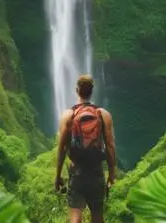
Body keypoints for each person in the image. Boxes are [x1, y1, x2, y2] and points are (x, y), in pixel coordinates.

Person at [55, 74, 116, 223]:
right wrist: (112, 174)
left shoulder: (68, 115)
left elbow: (62, 148)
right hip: (96, 172)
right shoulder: (103, 114)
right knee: (97, 216)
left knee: (75, 217)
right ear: (92, 91)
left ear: (77, 90)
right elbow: (110, 146)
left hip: (77, 172)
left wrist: (57, 175)